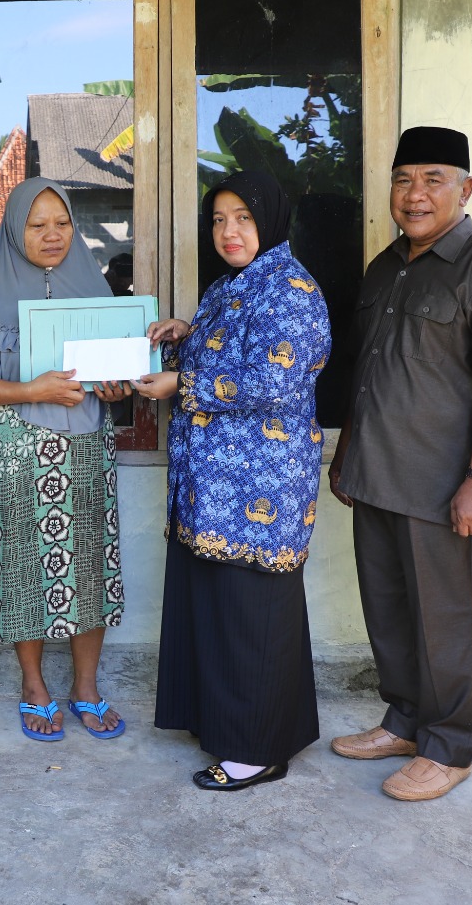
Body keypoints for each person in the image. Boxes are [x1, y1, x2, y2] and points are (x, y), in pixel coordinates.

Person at [326, 127, 472, 801]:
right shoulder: (384, 267)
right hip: (374, 473)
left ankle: (449, 746)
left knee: (447, 620)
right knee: (388, 611)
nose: (414, 194)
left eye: (432, 179)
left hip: (441, 484)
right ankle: (405, 722)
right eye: (403, 179)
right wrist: (347, 451)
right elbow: (367, 370)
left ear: (464, 189)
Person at [136, 170, 330, 791]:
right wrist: (185, 336)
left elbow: (274, 380)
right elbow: (230, 355)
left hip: (259, 487)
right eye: (219, 220)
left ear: (269, 219)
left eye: (243, 218)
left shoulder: (293, 289)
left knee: (253, 614)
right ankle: (227, 725)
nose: (229, 232)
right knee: (219, 609)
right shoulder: (229, 286)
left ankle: (256, 750)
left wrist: (181, 382)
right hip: (211, 484)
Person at [0, 177, 130, 741]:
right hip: (19, 450)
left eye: (63, 223)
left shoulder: (93, 288)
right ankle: (34, 686)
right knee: (25, 568)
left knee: (90, 566)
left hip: (86, 448)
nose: (53, 235)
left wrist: (115, 387)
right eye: (37, 224)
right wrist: (33, 390)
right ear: (13, 229)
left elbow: (115, 375)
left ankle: (86, 688)